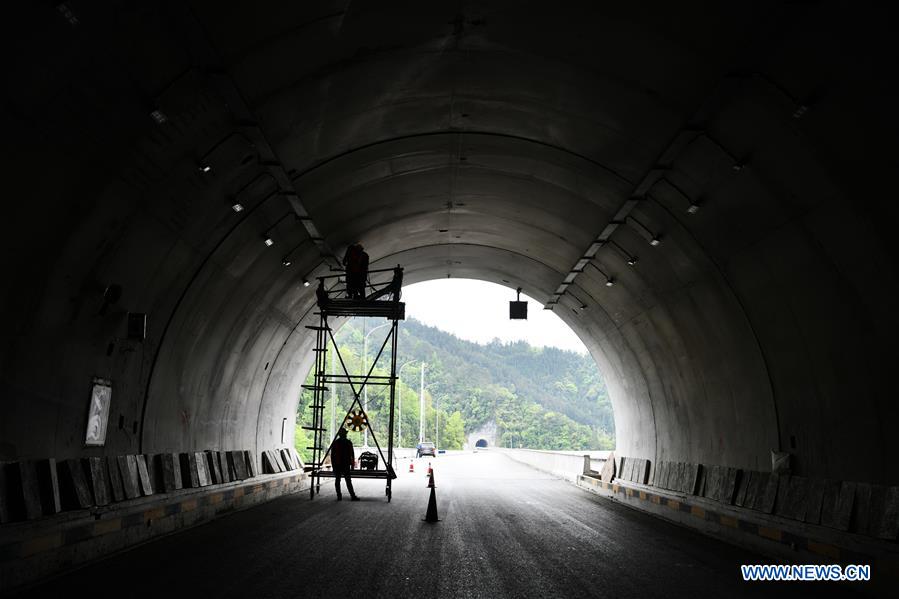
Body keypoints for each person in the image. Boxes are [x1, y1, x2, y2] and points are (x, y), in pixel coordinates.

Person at [330, 428, 359, 501]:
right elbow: (352, 454)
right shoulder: (348, 442)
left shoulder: (336, 443)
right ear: (345, 434)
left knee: (337, 481)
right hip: (345, 464)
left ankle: (339, 496)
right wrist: (352, 465)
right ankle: (352, 496)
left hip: (337, 464)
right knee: (348, 481)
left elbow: (332, 456)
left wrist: (333, 466)